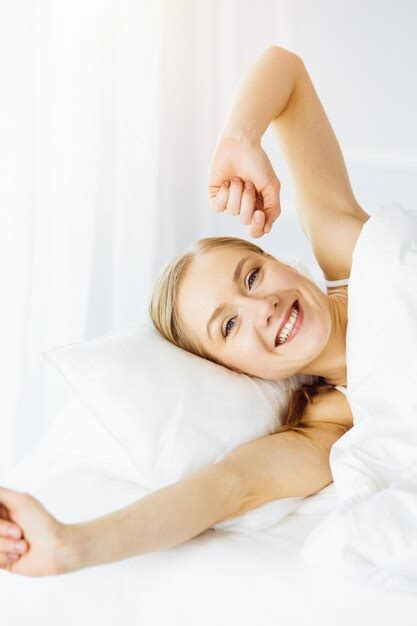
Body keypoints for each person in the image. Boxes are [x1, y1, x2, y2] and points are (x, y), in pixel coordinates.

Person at [0, 45, 370, 578]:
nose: (260, 307)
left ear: (277, 261)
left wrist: (239, 140)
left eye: (251, 275)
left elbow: (285, 69)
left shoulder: (350, 250)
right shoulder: (331, 426)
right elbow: (224, 489)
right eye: (229, 325)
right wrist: (71, 545)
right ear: (235, 372)